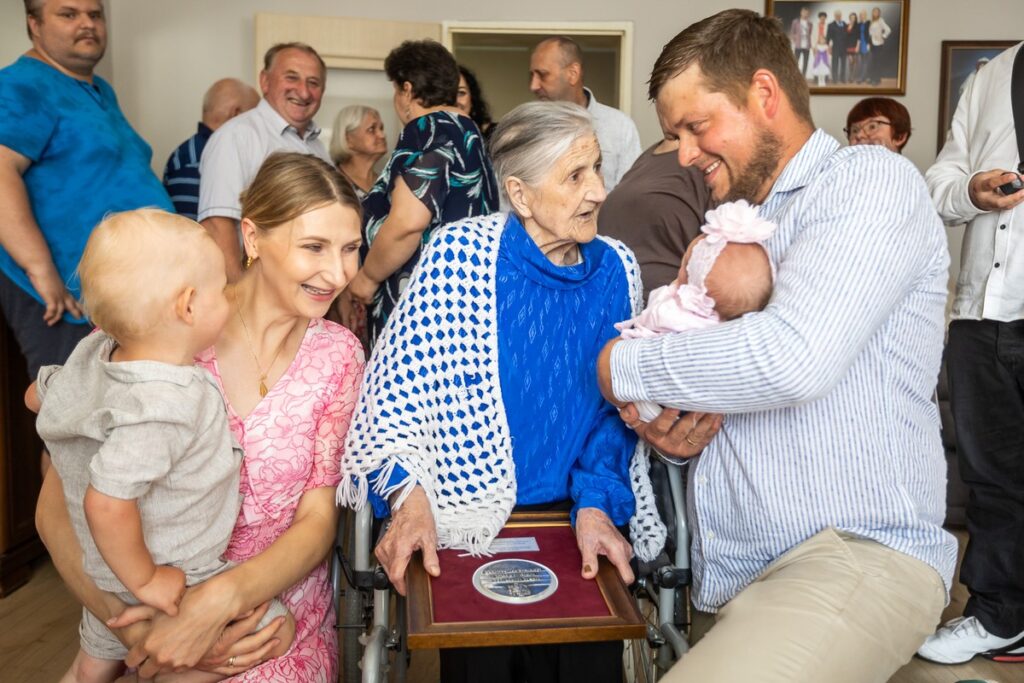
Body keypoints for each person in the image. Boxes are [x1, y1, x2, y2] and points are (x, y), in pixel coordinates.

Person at [597, 10, 956, 681]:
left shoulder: (864, 181)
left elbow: (794, 358)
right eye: (673, 134)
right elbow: (730, 375)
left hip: (854, 553)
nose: (682, 152)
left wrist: (623, 366)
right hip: (736, 575)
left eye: (695, 127)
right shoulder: (736, 226)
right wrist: (676, 427)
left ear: (765, 95)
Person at [338, 100, 671, 683]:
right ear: (519, 194)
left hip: (573, 514)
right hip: (470, 519)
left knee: (589, 662)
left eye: (597, 169)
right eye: (576, 176)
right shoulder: (459, 256)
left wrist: (596, 502)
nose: (598, 191)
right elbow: (396, 401)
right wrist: (410, 500)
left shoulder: (616, 267)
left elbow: (612, 415)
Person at [37, 152, 366, 681]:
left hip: (267, 610)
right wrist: (140, 631)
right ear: (254, 238)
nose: (339, 272)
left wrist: (219, 601)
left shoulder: (340, 356)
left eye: (351, 248)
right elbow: (56, 509)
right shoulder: (162, 324)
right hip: (142, 601)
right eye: (314, 247)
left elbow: (317, 519)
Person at [32, 210, 294, 683]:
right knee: (277, 626)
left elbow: (38, 395)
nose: (230, 296)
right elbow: (108, 503)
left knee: (91, 666)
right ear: (189, 306)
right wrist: (148, 582)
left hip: (102, 570)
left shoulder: (95, 352)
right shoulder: (165, 400)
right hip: (172, 573)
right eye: (222, 289)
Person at [0, 0, 172, 400]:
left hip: (118, 294)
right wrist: (41, 271)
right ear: (34, 24)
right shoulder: (21, 84)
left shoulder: (98, 90)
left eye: (95, 15)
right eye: (68, 14)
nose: (87, 24)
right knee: (73, 425)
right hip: (67, 295)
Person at [917, 41, 1024, 665]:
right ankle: (999, 614)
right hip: (982, 311)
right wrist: (973, 191)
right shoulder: (993, 74)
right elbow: (940, 182)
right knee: (992, 481)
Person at [342, 40, 498, 343]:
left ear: (408, 90)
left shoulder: (426, 130)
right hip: (458, 304)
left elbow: (407, 224)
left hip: (417, 306)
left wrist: (367, 278)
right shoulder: (469, 132)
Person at [615, 201, 775, 421]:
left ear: (692, 287)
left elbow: (651, 320)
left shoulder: (679, 313)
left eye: (684, 266)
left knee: (636, 402)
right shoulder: (732, 328)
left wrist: (666, 297)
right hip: (705, 399)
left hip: (661, 399)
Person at [198, 42, 330, 280]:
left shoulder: (318, 147)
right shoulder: (235, 137)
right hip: (261, 301)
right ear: (265, 82)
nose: (303, 91)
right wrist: (239, 303)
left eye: (314, 82)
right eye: (292, 78)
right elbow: (217, 225)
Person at [597, 139, 712, 294]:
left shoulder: (709, 161)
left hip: (665, 308)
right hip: (605, 304)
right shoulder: (650, 156)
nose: (599, 193)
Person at [529, 36, 641, 190]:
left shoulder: (620, 127)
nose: (533, 86)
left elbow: (631, 194)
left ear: (573, 73)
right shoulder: (527, 129)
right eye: (532, 76)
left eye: (542, 74)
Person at [163, 79, 260, 220]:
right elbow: (187, 228)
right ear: (236, 114)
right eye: (255, 116)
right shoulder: (192, 159)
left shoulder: (190, 153)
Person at [329, 104, 387, 199]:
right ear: (348, 139)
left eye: (381, 128)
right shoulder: (331, 181)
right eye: (371, 129)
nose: (382, 135)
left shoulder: (387, 182)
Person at [845, 96, 911, 153]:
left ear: (899, 137)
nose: (859, 135)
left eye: (872, 127)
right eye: (854, 130)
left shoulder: (904, 167)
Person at [456, 64, 496, 140]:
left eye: (461, 93)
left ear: (472, 98)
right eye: (448, 93)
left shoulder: (494, 134)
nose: (455, 100)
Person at [867, 6, 892, 86]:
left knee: (877, 62)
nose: (875, 13)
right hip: (872, 43)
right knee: (873, 61)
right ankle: (873, 78)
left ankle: (877, 80)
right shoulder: (872, 21)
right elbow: (870, 32)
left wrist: (883, 36)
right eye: (873, 12)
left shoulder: (881, 21)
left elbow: (888, 29)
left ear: (879, 13)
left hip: (878, 43)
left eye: (876, 12)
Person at [826, 10, 849, 85]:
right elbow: (828, 37)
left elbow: (848, 35)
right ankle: (835, 79)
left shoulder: (845, 24)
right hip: (835, 47)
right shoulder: (831, 25)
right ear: (834, 16)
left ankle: (843, 78)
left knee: (843, 64)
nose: (838, 16)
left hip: (844, 47)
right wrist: (828, 46)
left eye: (839, 15)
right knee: (834, 63)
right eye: (837, 15)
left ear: (841, 16)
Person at [789, 7, 812, 78]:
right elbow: (792, 32)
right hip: (798, 45)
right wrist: (794, 38)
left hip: (806, 46)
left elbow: (809, 34)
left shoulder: (810, 23)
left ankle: (803, 77)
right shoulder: (795, 22)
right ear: (801, 13)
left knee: (806, 62)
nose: (805, 14)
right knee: (796, 61)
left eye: (807, 13)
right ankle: (795, 77)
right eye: (804, 12)